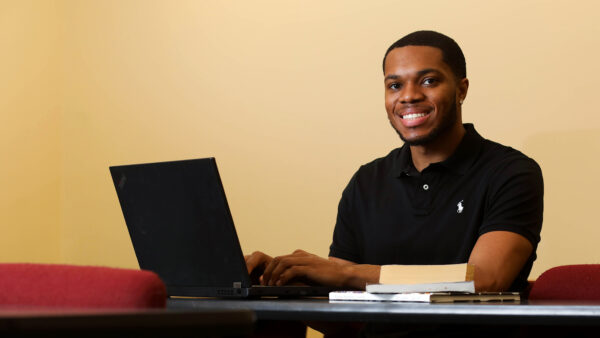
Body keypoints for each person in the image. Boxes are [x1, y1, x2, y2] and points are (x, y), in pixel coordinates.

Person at [245, 30, 543, 293]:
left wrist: (346, 273)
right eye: (395, 85)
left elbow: (485, 279)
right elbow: (341, 304)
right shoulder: (367, 181)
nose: (409, 96)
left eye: (428, 81)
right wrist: (282, 278)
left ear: (461, 90)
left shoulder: (511, 173)